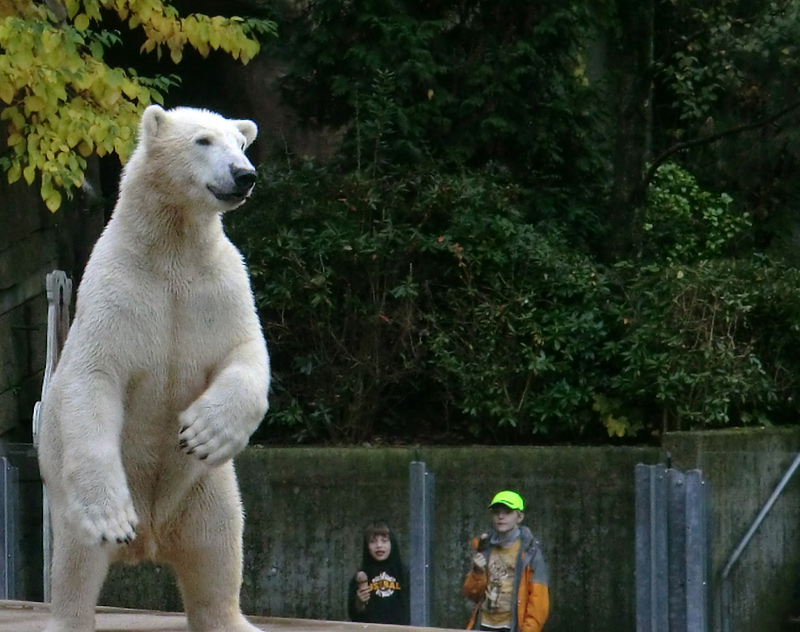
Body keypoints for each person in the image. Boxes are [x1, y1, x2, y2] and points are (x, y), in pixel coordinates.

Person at [463, 490, 550, 632]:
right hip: (483, 625)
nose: (501, 517)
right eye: (496, 512)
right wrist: (477, 573)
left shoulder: (531, 551)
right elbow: (471, 594)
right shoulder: (484, 546)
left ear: (520, 516)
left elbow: (539, 602)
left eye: (507, 512)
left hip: (512, 627)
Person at [347, 520, 410, 625]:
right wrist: (359, 603)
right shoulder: (359, 578)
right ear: (367, 546)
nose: (379, 545)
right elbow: (354, 616)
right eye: (373, 541)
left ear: (392, 543)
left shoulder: (405, 575)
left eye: (384, 540)